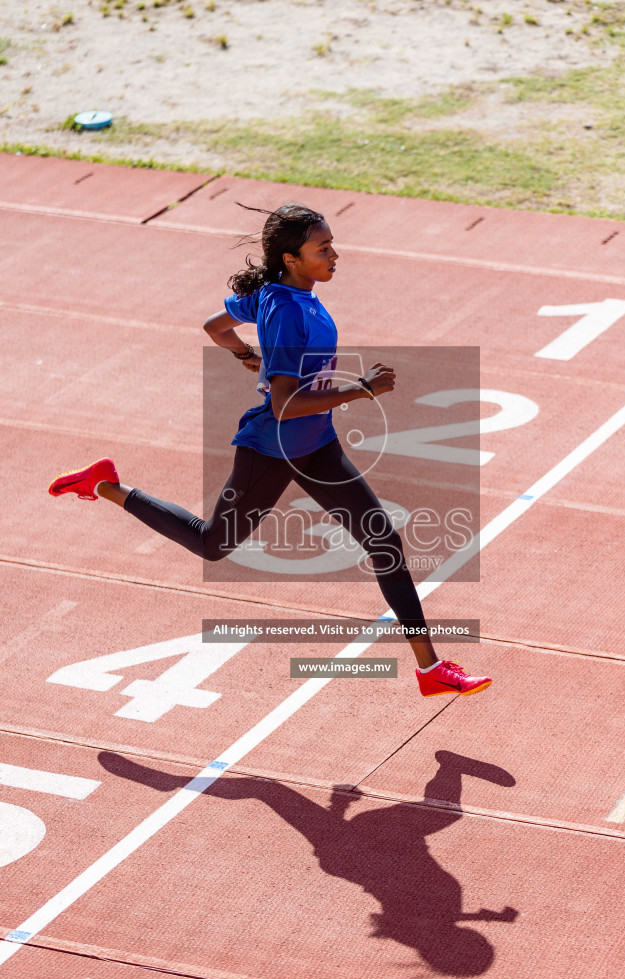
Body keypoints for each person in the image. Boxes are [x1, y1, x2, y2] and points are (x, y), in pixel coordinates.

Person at [49, 203, 491, 698]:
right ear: (291, 258)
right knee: (212, 545)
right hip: (274, 446)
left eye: (331, 244)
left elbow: (214, 326)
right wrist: (360, 390)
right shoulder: (283, 308)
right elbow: (283, 405)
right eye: (322, 248)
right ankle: (105, 484)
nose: (335, 254)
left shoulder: (279, 293)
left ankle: (430, 671)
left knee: (383, 541)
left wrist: (246, 356)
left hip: (317, 441)